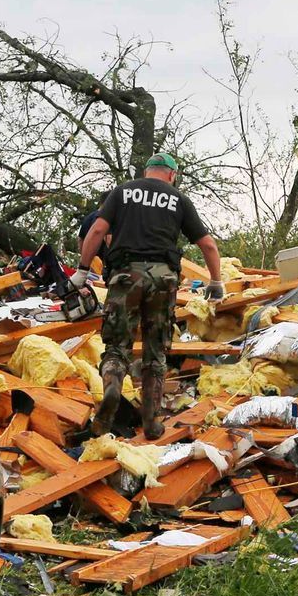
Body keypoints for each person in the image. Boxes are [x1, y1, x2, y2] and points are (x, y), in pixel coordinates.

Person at [78, 153, 224, 439]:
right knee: (155, 351)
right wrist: (216, 281)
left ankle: (111, 390)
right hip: (163, 278)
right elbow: (207, 244)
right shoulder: (178, 199)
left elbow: (97, 230)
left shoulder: (122, 192)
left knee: (117, 347)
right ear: (172, 175)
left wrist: (83, 270)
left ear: (146, 172)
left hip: (125, 275)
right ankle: (152, 423)